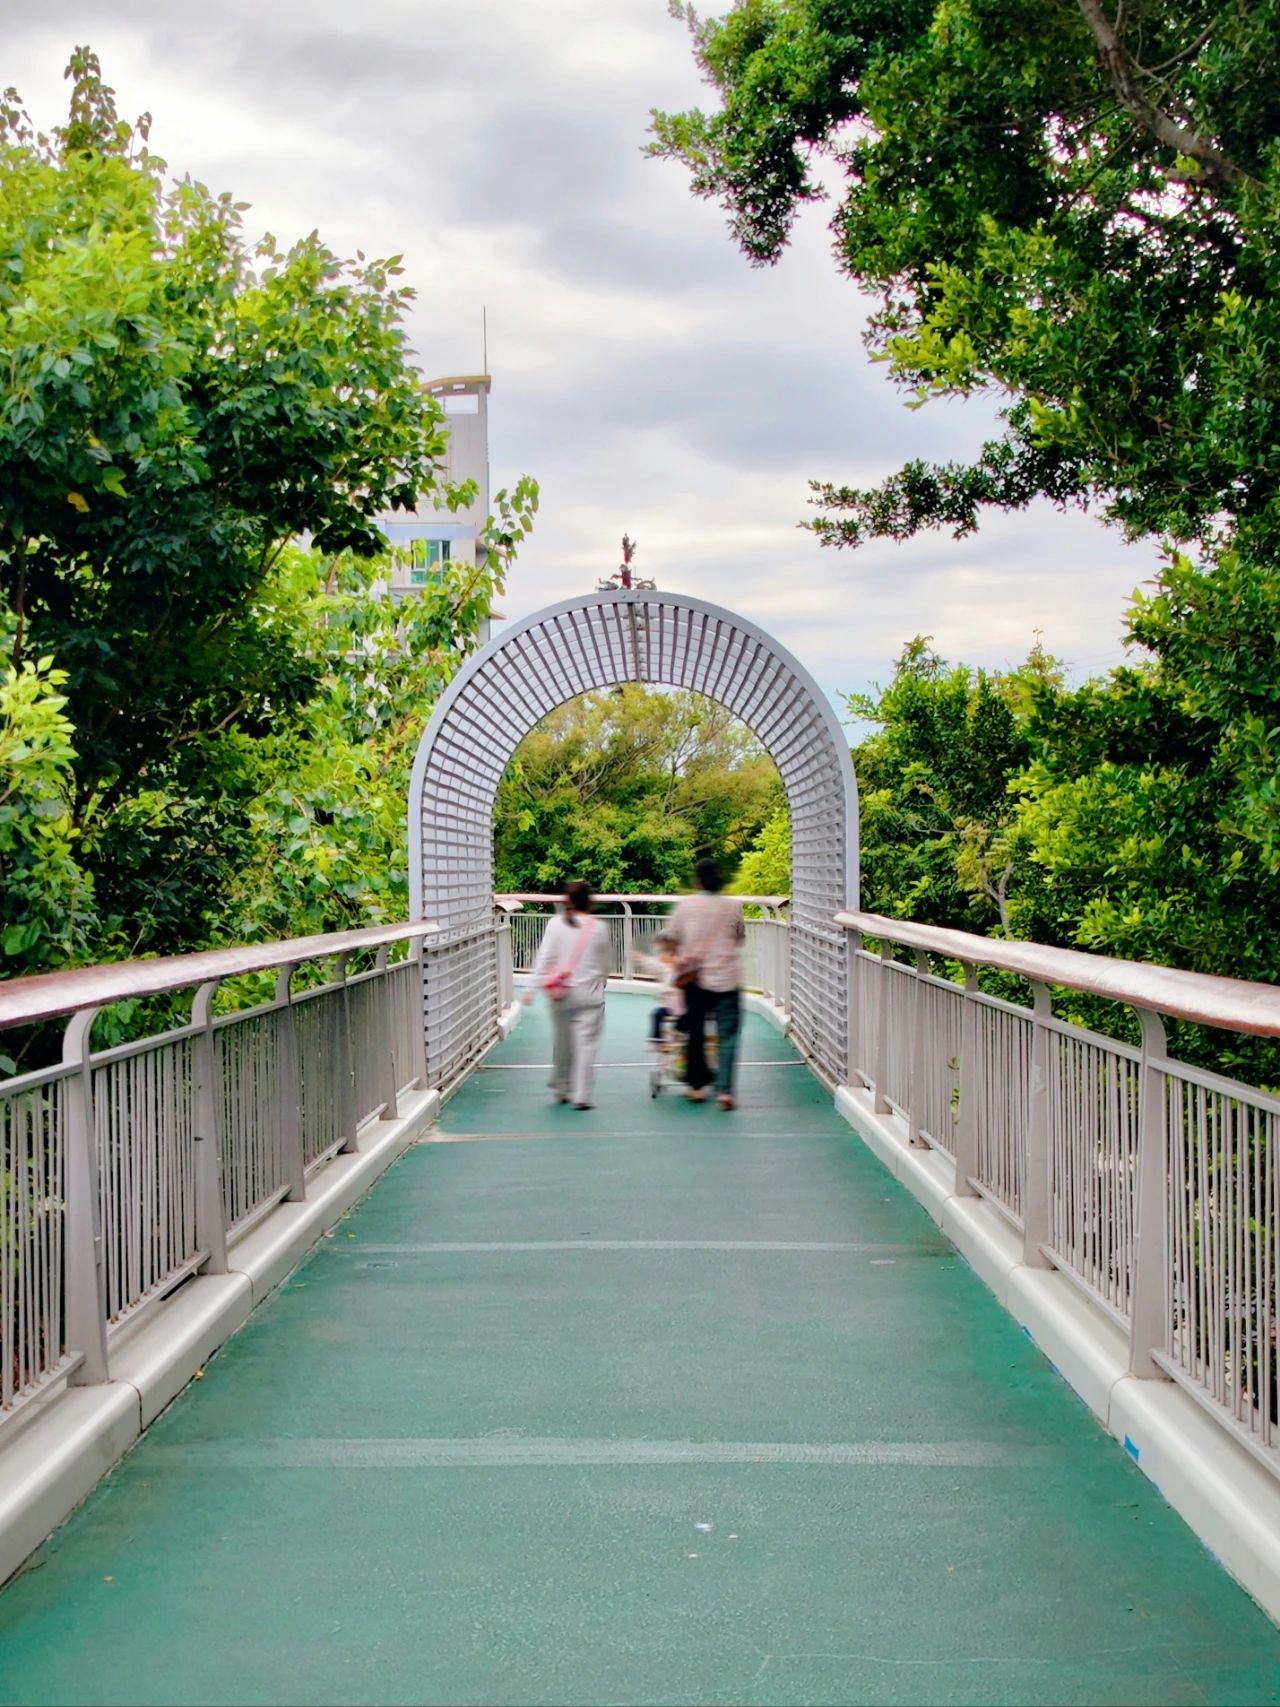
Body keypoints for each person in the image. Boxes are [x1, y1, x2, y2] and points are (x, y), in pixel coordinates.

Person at [667, 857, 744, 1111]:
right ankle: (725, 1092)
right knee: (728, 1034)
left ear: (697, 880)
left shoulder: (685, 906)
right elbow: (738, 939)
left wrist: (680, 957)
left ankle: (696, 1087)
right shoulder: (734, 907)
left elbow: (671, 938)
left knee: (696, 1032)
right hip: (727, 978)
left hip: (696, 980)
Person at [527, 880, 611, 1109]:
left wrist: (531, 987)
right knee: (586, 1045)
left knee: (562, 1043)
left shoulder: (555, 925)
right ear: (589, 902)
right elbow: (605, 965)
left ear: (568, 901)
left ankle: (562, 1088)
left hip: (561, 995)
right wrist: (601, 981)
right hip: (590, 995)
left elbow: (545, 957)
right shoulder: (599, 928)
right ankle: (582, 1094)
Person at [631, 931, 688, 1042]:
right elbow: (655, 965)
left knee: (686, 1015)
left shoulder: (680, 966)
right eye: (663, 952)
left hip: (684, 1005)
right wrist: (642, 959)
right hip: (670, 1005)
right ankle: (657, 1039)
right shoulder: (665, 968)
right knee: (657, 1014)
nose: (663, 955)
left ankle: (676, 1031)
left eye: (667, 952)